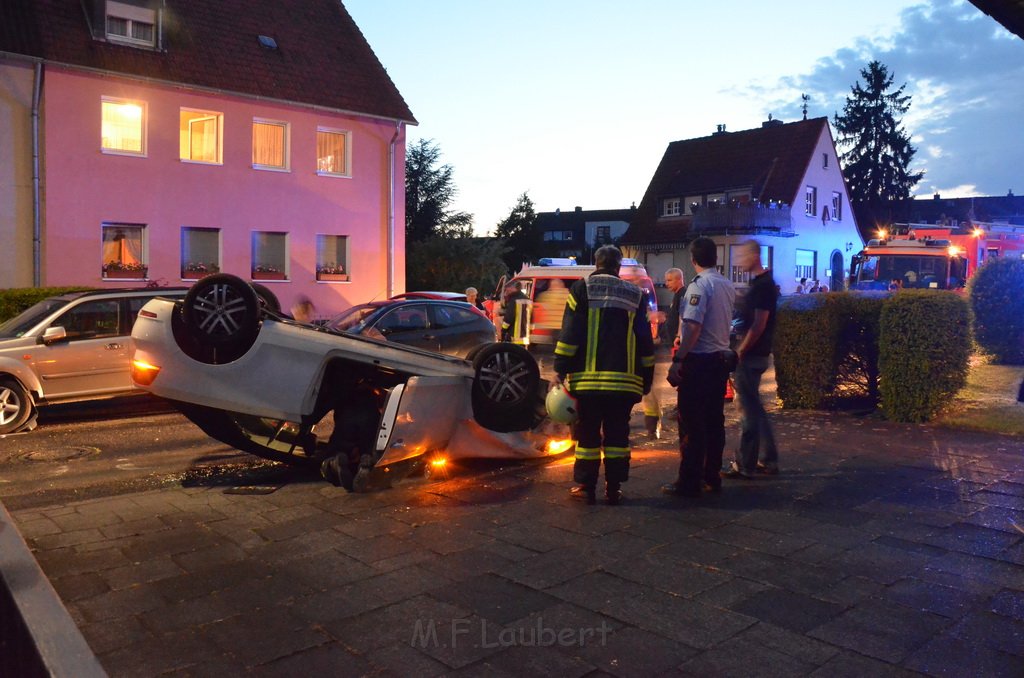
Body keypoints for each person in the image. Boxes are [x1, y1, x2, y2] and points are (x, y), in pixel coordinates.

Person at [554, 245, 655, 505]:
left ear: (595, 263)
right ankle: (614, 488)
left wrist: (560, 366)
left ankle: (586, 488)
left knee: (587, 435)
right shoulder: (636, 294)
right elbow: (645, 339)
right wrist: (647, 375)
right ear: (618, 266)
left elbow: (571, 333)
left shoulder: (581, 289)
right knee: (618, 436)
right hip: (624, 383)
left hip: (587, 382)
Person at [662, 236, 736, 498]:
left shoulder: (699, 287)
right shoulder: (726, 285)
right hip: (719, 362)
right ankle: (711, 475)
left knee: (692, 424)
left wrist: (679, 359)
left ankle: (689, 481)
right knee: (714, 422)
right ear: (715, 258)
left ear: (693, 260)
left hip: (699, 362)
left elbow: (692, 327)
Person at [723, 239, 780, 479]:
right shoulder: (761, 284)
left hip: (752, 354)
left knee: (748, 411)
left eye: (743, 256)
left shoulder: (762, 286)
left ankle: (746, 464)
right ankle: (768, 459)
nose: (739, 261)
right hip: (757, 353)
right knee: (755, 408)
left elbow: (758, 324)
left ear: (755, 256)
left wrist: (740, 351)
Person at [663, 268, 685, 348]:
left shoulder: (683, 294)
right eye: (666, 281)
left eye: (669, 280)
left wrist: (679, 336)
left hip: (678, 342)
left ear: (679, 280)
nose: (667, 284)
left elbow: (682, 317)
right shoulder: (677, 294)